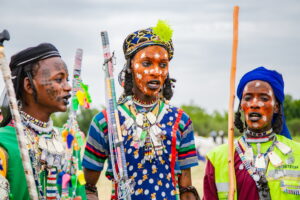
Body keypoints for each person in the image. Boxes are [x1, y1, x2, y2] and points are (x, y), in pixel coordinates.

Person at [83, 21, 200, 200]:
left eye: (162, 65)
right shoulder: (106, 121)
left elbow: (186, 188)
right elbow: (89, 187)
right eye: (146, 63)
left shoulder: (181, 120)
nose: (155, 71)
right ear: (130, 66)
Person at [0, 43, 86, 199]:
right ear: (29, 85)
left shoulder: (68, 141)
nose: (68, 87)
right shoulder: (4, 143)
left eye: (67, 80)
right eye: (59, 79)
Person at [203, 66, 299, 199]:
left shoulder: (297, 153)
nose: (254, 104)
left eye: (264, 98)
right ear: (241, 106)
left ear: (276, 107)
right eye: (248, 98)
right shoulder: (217, 158)